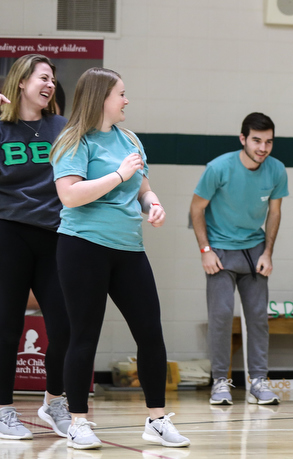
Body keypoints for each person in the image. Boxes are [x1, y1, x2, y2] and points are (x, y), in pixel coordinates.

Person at [50, 67, 189, 450]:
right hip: (82, 247)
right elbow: (70, 195)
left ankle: (157, 420)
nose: (127, 100)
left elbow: (143, 186)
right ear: (101, 98)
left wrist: (153, 204)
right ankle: (78, 421)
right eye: (121, 94)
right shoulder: (73, 141)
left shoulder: (129, 139)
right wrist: (116, 174)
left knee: (151, 333)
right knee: (84, 336)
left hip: (128, 250)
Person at [190, 112, 287, 406]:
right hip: (219, 250)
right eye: (256, 140)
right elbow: (196, 210)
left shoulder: (277, 170)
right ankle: (220, 382)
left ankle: (258, 381)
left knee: (258, 319)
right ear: (243, 139)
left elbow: (275, 213)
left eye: (268, 142)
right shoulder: (218, 168)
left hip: (254, 250)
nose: (263, 148)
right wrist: (205, 251)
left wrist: (268, 253)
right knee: (220, 317)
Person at [0, 54, 71, 440]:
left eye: (52, 79)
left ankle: (54, 401)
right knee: (7, 328)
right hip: (8, 232)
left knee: (66, 326)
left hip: (54, 234)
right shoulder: (1, 127)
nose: (49, 84)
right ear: (22, 82)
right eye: (42, 77)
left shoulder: (61, 127)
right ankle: (3, 409)